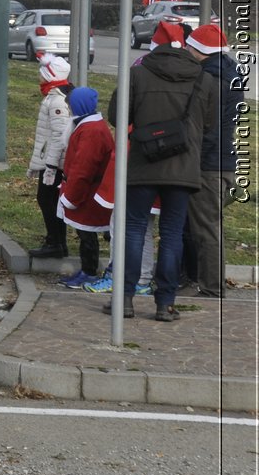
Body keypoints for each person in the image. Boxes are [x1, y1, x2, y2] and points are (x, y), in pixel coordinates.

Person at [105, 20, 218, 320]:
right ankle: (165, 303)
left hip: (143, 165)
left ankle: (125, 299)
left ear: (153, 46)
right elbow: (209, 124)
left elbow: (117, 116)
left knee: (133, 231)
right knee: (172, 234)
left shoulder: (137, 74)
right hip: (183, 169)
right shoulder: (203, 79)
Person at [183, 24, 244, 298]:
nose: (186, 50)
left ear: (200, 51)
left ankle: (211, 287)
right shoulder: (230, 73)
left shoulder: (209, 79)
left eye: (190, 47)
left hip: (209, 163)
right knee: (209, 225)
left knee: (207, 229)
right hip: (224, 160)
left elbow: (203, 126)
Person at [56, 87, 113, 288]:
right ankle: (88, 270)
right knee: (85, 234)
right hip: (88, 191)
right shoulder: (90, 126)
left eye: (70, 105)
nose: (68, 109)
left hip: (88, 193)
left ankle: (89, 272)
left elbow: (83, 167)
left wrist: (71, 196)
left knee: (87, 234)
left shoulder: (91, 131)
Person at [26, 54, 74, 258]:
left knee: (47, 199)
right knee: (49, 200)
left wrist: (51, 165)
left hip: (55, 163)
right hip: (53, 161)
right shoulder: (55, 96)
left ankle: (55, 242)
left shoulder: (57, 101)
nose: (39, 78)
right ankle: (56, 241)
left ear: (50, 76)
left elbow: (58, 135)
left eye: (42, 74)